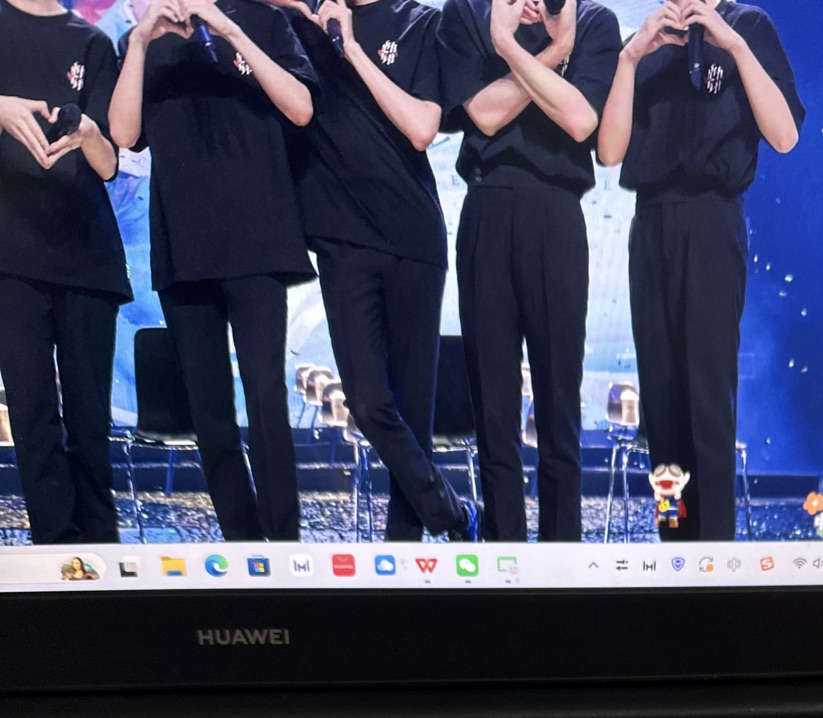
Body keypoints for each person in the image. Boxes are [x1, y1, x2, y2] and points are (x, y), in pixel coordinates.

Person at [266, 0, 476, 543]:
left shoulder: (418, 22)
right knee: (367, 401)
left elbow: (423, 128)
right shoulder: (302, 26)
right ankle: (453, 514)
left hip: (412, 234)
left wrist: (354, 50)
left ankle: (404, 550)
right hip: (342, 240)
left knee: (413, 410)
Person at [109, 0, 315, 541]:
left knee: (266, 396)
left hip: (258, 240)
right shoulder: (147, 41)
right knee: (209, 409)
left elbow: (300, 108)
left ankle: (284, 540)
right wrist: (139, 41)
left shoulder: (265, 20)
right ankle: (241, 540)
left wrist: (228, 30)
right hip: (184, 245)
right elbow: (124, 134)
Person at [598, 0, 802, 542]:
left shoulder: (747, 26)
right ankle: (673, 540)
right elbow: (610, 152)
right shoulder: (645, 40)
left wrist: (731, 44)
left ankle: (714, 555)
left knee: (708, 400)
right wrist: (629, 57)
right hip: (650, 223)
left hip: (712, 220)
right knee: (660, 404)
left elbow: (785, 136)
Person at [438, 0, 620, 543]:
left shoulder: (592, 21)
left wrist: (535, 47)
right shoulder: (468, 13)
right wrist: (543, 54)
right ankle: (503, 553)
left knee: (559, 402)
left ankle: (562, 554)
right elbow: (484, 113)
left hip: (556, 214)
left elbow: (580, 119)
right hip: (487, 207)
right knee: (493, 408)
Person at [0, 0, 131, 545]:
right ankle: (56, 552)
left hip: (86, 253)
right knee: (32, 415)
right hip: (11, 253)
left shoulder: (92, 41)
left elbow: (109, 162)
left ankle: (102, 551)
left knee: (90, 419)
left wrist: (89, 135)